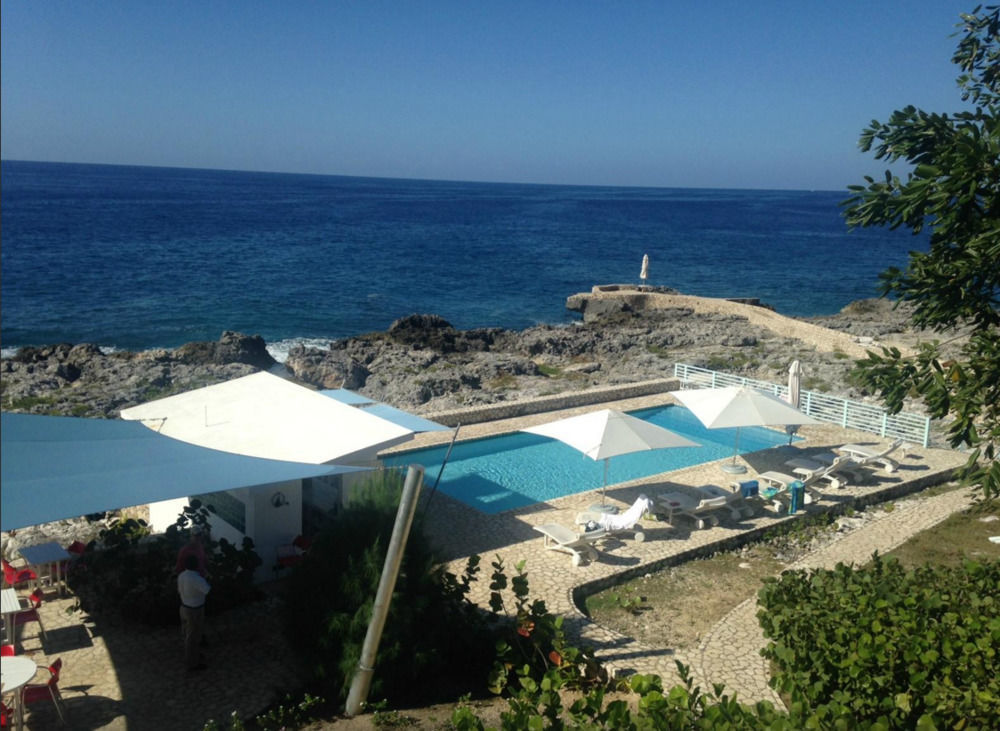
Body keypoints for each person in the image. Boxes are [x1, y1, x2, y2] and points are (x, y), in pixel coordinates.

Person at [177, 553, 210, 671]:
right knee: (193, 636)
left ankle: (192, 654)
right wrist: (205, 577)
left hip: (184, 607)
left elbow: (179, 591)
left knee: (187, 633)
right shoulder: (197, 579)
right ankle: (192, 662)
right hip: (195, 610)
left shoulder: (181, 576)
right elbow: (206, 590)